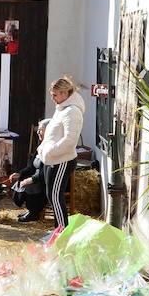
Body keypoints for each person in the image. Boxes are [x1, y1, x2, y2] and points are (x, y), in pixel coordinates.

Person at [34, 76, 87, 231]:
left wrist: (50, 151)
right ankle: (59, 230)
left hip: (61, 160)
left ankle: (62, 232)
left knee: (55, 197)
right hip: (54, 159)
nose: (53, 98)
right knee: (52, 196)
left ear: (65, 93)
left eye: (55, 95)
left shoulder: (72, 112)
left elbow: (70, 140)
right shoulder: (63, 108)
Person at [10, 119, 51, 222]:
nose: (38, 132)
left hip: (45, 180)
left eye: (41, 130)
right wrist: (20, 174)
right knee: (20, 181)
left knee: (29, 184)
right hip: (37, 176)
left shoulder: (51, 148)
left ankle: (34, 213)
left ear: (50, 131)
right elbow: (31, 167)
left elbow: (45, 172)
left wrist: (31, 180)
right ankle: (31, 210)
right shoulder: (41, 146)